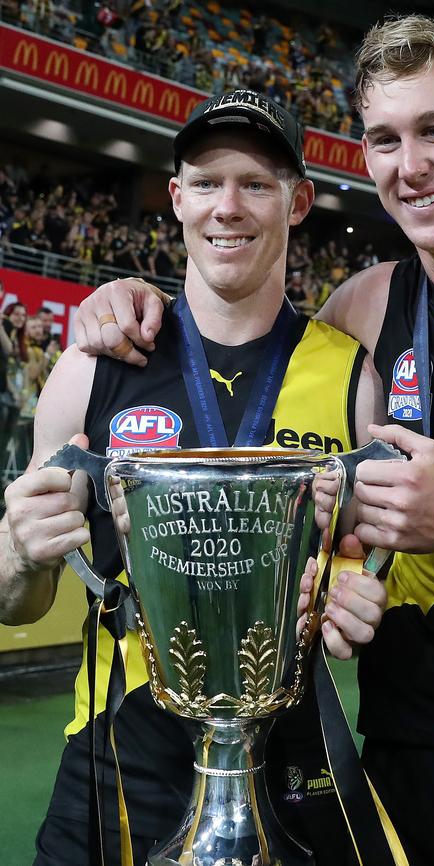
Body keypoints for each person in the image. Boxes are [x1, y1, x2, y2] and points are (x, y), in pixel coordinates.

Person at [76, 16, 434, 866]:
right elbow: (258, 383)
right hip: (395, 756)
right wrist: (126, 295)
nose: (408, 164)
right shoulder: (361, 310)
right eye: (384, 138)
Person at [0, 90, 389, 866]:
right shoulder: (94, 367)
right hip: (117, 771)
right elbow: (19, 602)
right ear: (176, 199)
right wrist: (19, 554)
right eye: (207, 183)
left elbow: (361, 558)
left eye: (255, 183)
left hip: (292, 774)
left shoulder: (352, 379)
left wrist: (356, 587)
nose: (229, 207)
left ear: (299, 201)